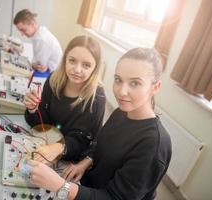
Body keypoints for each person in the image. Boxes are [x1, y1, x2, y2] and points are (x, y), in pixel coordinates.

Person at [27, 48, 172, 200]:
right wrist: (85, 162)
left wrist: (60, 186)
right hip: (86, 186)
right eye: (118, 80)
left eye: (135, 83)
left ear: (155, 87)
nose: (122, 92)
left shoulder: (154, 145)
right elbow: (99, 144)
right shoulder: (121, 113)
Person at [23, 35, 106, 165]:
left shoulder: (97, 96)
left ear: (95, 68)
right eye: (72, 61)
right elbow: (43, 123)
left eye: (86, 65)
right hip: (45, 145)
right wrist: (33, 110)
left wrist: (59, 147)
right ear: (65, 59)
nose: (77, 70)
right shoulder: (53, 80)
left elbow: (86, 140)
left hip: (71, 159)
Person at [13, 9, 62, 76]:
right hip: (49, 68)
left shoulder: (41, 39)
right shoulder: (39, 31)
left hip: (53, 73)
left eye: (23, 30)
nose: (22, 34)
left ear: (33, 24)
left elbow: (40, 67)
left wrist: (32, 64)